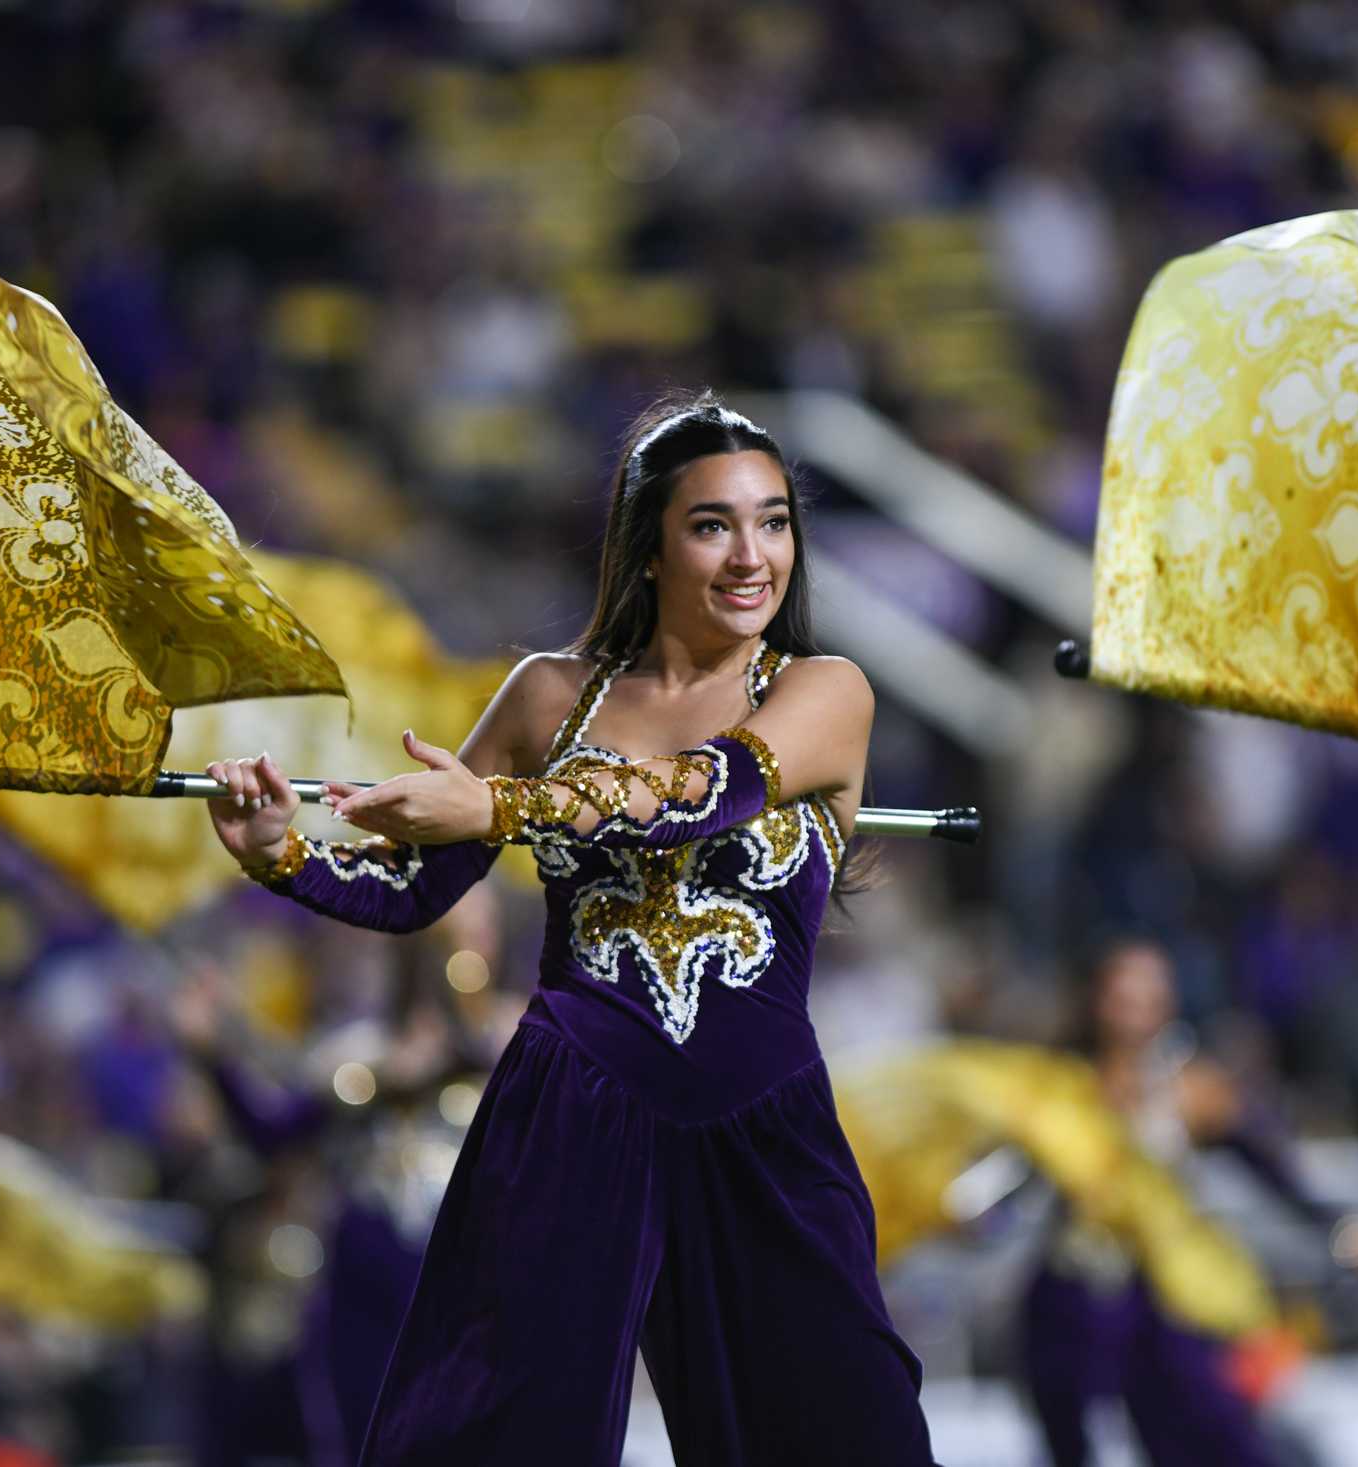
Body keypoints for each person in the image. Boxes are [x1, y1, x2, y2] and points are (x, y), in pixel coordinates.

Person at [204, 392, 937, 1466]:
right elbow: (412, 892)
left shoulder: (825, 693)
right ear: (648, 547)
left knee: (847, 1432)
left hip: (763, 1120)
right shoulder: (548, 697)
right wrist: (280, 849)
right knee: (491, 1440)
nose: (752, 555)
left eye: (773, 521)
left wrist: (497, 807)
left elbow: (699, 792)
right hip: (568, 1108)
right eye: (712, 523)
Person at [1018, 939, 1358, 1467]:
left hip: (1161, 1297)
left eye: (1152, 992)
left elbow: (1276, 1173)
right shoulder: (1062, 1089)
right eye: (1125, 993)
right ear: (1097, 1000)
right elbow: (1004, 1181)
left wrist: (1357, 1238)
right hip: (1075, 1293)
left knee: (1213, 1434)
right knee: (1071, 1438)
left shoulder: (1190, 1091)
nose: (1139, 1008)